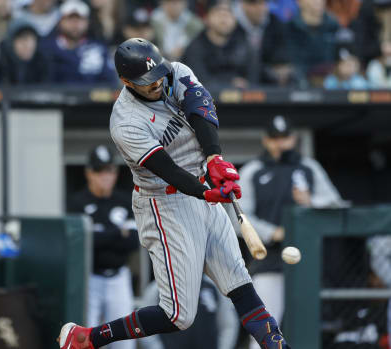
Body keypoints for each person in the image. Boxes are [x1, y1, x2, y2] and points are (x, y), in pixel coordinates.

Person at [57, 38, 290, 349]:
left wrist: (214, 157)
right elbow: (166, 169)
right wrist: (207, 192)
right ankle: (87, 338)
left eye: (157, 75)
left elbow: (200, 110)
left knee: (241, 283)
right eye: (145, 81)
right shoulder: (125, 121)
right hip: (164, 203)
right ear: (126, 81)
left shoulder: (176, 71)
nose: (155, 84)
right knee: (178, 315)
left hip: (199, 186)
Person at [237, 115, 343, 349]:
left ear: (293, 139)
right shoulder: (254, 170)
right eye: (275, 139)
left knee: (306, 328)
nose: (280, 144)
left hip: (308, 263)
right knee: (264, 329)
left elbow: (337, 204)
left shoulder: (308, 167)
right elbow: (239, 217)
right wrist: (273, 232)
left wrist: (311, 201)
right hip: (269, 261)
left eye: (284, 138)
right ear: (266, 141)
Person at [67, 145, 139, 349]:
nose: (105, 176)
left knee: (124, 340)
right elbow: (82, 244)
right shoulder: (78, 203)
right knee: (85, 337)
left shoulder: (124, 201)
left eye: (110, 170)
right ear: (89, 173)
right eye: (99, 171)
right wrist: (117, 232)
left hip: (118, 276)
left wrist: (99, 235)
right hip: (90, 278)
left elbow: (133, 242)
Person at [41, 0, 117, 85]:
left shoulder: (99, 49)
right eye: (70, 19)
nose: (75, 24)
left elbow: (109, 82)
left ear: (87, 23)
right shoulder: (46, 48)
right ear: (60, 22)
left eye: (80, 19)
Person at [184, 0, 255, 89]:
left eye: (228, 13)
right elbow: (199, 82)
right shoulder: (194, 48)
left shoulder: (244, 46)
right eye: (218, 13)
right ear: (206, 18)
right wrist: (230, 82)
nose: (224, 19)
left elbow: (253, 81)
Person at [233, 0, 295, 86]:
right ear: (243, 5)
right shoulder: (232, 25)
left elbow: (282, 53)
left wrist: (282, 67)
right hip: (239, 79)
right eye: (255, 4)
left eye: (263, 3)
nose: (260, 8)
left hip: (269, 79)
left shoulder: (274, 22)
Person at [285, 0, 340, 85]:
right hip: (298, 81)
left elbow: (341, 55)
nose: (318, 1)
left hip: (331, 80)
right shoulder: (289, 28)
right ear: (299, 2)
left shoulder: (334, 26)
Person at [0, 19, 51, 85]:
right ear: (11, 43)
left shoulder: (42, 61)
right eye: (23, 39)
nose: (29, 45)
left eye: (33, 40)